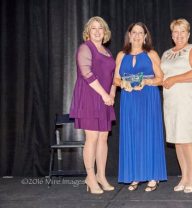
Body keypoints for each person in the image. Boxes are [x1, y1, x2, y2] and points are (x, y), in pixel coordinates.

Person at [113, 22, 167, 192]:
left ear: (145, 36)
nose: (136, 35)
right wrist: (123, 84)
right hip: (129, 99)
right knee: (132, 134)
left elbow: (161, 78)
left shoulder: (151, 54)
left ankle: (153, 176)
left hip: (148, 97)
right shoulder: (121, 55)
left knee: (149, 133)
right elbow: (115, 79)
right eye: (133, 32)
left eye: (140, 32)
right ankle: (135, 175)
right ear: (129, 35)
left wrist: (146, 81)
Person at [69, 16, 116, 194]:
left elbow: (112, 76)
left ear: (105, 32)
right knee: (93, 138)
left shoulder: (106, 51)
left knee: (103, 138)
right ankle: (90, 176)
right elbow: (87, 73)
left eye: (100, 28)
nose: (97, 31)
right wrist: (104, 94)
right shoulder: (85, 48)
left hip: (105, 99)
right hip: (89, 96)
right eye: (93, 28)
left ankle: (101, 176)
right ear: (88, 32)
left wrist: (111, 93)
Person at [160, 18, 192, 193]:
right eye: (175, 32)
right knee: (177, 140)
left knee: (187, 138)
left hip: (187, 98)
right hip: (170, 100)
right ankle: (184, 176)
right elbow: (161, 77)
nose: (179, 35)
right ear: (172, 35)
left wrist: (174, 79)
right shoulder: (166, 53)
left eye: (182, 32)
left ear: (188, 34)